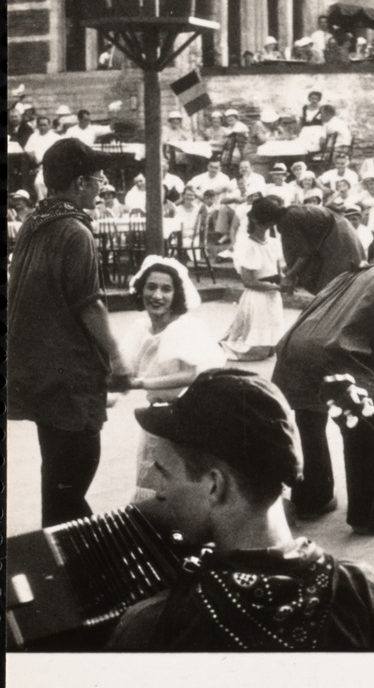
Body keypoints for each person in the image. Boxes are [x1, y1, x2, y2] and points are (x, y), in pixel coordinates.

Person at [107, 369, 374, 650]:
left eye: (163, 472)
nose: (154, 484)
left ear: (214, 485)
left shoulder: (160, 625)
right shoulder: (364, 590)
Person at [7, 140, 132, 524]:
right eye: (98, 180)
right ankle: (82, 567)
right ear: (79, 183)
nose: (102, 187)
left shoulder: (34, 222)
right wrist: (118, 360)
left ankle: (64, 562)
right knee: (72, 480)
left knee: (58, 480)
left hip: (40, 375)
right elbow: (89, 304)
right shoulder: (75, 231)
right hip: (70, 378)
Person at [272, 231, 374, 532]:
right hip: (333, 351)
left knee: (311, 421)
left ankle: (314, 497)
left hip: (293, 347)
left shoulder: (349, 275)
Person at [119, 256, 226, 502]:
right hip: (157, 416)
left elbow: (193, 374)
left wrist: (142, 384)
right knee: (152, 477)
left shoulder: (184, 327)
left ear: (176, 295)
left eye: (166, 289)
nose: (157, 295)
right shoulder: (140, 328)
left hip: (187, 416)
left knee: (179, 480)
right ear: (141, 289)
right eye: (151, 287)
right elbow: (126, 369)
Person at [220, 197, 287, 362]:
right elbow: (248, 282)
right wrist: (277, 288)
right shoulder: (247, 245)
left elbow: (279, 272)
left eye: (272, 222)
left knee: (271, 348)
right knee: (256, 351)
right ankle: (223, 348)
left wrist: (285, 281)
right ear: (256, 221)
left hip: (272, 297)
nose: (270, 225)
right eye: (267, 221)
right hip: (256, 298)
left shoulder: (273, 243)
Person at [270, 199, 365, 298]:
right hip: (339, 233)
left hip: (338, 239)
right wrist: (291, 273)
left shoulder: (288, 219)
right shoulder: (292, 212)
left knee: (334, 290)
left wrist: (290, 275)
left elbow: (303, 254)